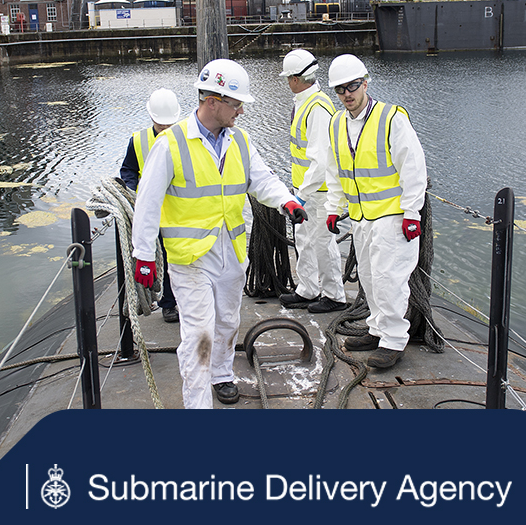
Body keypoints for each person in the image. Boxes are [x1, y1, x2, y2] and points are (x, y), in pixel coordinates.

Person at [131, 59, 307, 408]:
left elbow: (262, 179)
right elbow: (147, 203)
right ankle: (198, 409)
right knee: (198, 334)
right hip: (191, 258)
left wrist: (287, 201)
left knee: (227, 321)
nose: (241, 111)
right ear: (213, 101)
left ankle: (222, 374)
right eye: (236, 103)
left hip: (230, 251)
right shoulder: (170, 145)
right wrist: (144, 256)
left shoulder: (240, 141)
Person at [324, 54, 427, 370]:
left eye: (353, 86)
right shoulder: (336, 123)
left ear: (365, 83)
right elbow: (335, 169)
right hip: (361, 217)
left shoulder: (391, 118)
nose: (347, 94)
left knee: (389, 280)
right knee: (369, 278)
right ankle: (377, 329)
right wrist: (333, 208)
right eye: (340, 89)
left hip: (392, 218)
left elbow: (413, 166)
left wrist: (412, 213)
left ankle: (394, 341)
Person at [277, 49, 347, 313]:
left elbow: (319, 160)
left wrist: (301, 196)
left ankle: (334, 296)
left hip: (318, 192)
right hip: (305, 189)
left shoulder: (317, 107)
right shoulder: (304, 101)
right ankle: (307, 290)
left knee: (322, 243)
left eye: (288, 78)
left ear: (296, 78)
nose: (287, 82)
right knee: (304, 241)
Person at [119, 89, 182, 323]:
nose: (165, 128)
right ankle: (167, 303)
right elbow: (128, 170)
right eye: (161, 124)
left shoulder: (184, 139)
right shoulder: (138, 140)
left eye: (168, 124)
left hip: (177, 211)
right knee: (158, 257)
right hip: (151, 211)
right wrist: (135, 192)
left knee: (175, 257)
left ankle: (173, 301)